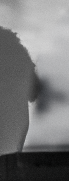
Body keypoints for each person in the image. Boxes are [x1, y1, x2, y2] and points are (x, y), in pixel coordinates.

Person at [0, 26, 39, 156]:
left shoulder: (18, 54)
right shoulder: (19, 53)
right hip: (15, 136)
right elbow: (34, 93)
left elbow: (34, 92)